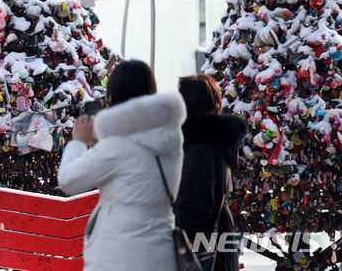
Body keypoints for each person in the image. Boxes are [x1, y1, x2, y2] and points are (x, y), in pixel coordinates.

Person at [58, 60, 187, 271]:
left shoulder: (118, 145)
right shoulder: (171, 135)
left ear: (114, 96)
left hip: (119, 257)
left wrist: (79, 142)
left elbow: (69, 180)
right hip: (161, 255)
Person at [175, 74, 247, 271]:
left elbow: (195, 204)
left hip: (202, 251)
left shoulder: (201, 146)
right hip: (217, 245)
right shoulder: (215, 142)